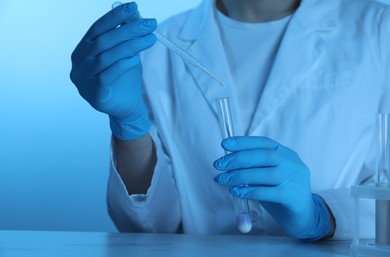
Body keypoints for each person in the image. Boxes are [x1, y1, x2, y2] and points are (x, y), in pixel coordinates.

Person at [70, 0, 390, 240]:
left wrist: (324, 215)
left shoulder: (378, 28)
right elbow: (151, 228)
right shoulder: (159, 46)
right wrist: (130, 126)